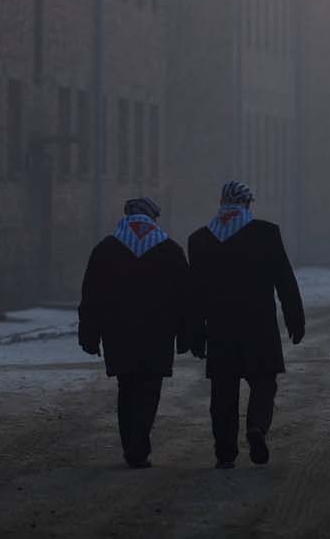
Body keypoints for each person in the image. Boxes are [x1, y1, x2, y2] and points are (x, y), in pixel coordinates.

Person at [187, 181, 305, 469]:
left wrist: (194, 332)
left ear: (222, 202)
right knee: (264, 382)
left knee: (223, 393)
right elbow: (284, 281)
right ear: (248, 204)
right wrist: (294, 318)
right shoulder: (266, 233)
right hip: (259, 325)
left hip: (219, 328)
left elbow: (194, 293)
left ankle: (225, 453)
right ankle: (256, 427)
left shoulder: (200, 239)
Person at [78, 197, 189, 469]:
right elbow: (186, 297)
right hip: (158, 334)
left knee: (126, 388)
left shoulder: (105, 249)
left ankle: (131, 444)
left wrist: (89, 334)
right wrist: (188, 334)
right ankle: (139, 444)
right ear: (152, 219)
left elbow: (91, 296)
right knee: (149, 389)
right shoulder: (170, 250)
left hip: (118, 334)